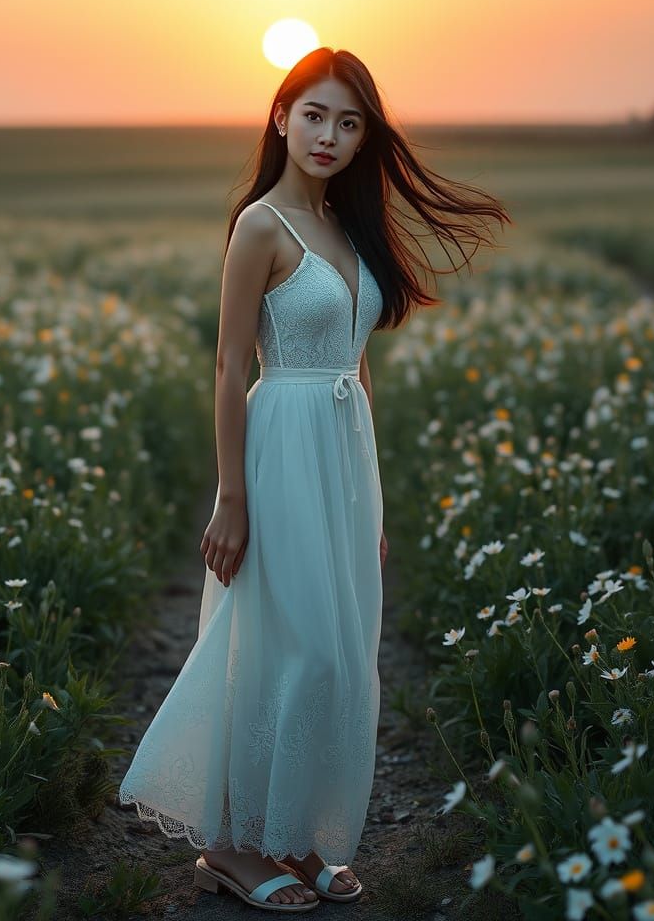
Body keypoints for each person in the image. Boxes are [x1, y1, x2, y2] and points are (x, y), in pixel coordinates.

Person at [118, 47, 510, 912]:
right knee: (288, 646)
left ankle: (297, 838)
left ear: (363, 134)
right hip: (280, 443)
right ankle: (230, 848)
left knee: (341, 653)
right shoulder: (261, 225)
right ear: (280, 118)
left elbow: (357, 366)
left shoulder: (347, 226)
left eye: (349, 120)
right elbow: (227, 366)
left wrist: (369, 496)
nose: (329, 135)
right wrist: (231, 497)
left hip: (342, 450)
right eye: (315, 115)